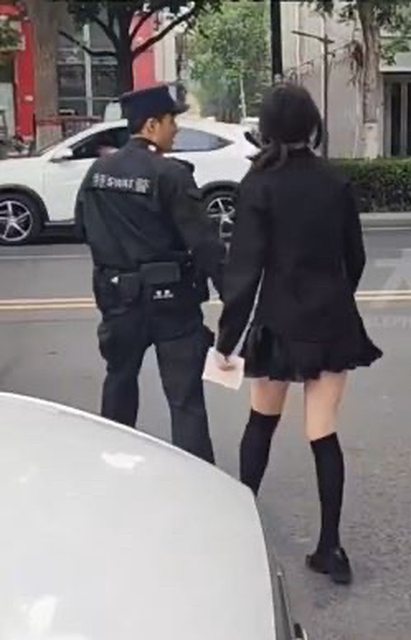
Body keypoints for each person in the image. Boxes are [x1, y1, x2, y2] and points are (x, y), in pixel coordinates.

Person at [216, 83, 382, 585]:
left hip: (278, 322)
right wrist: (333, 298)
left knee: (261, 424)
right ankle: (331, 547)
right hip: (332, 322)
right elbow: (355, 258)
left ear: (267, 127)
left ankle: (238, 533)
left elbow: (244, 271)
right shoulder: (335, 180)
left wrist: (227, 340)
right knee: (323, 431)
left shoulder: (259, 184)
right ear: (311, 124)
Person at [75, 85, 226, 464]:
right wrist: (233, 296)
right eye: (172, 120)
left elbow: (83, 227)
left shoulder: (98, 172)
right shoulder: (170, 174)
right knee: (185, 400)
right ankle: (196, 481)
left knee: (119, 381)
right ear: (152, 125)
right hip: (172, 304)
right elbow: (204, 244)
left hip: (119, 300)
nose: (177, 128)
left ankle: (112, 465)